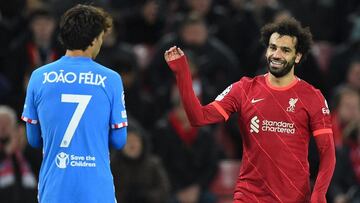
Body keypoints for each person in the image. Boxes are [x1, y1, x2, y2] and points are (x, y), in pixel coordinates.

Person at [164, 17, 336, 202]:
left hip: (293, 197)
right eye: (272, 47)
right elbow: (199, 118)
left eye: (285, 50)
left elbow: (327, 153)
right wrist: (182, 73)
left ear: (298, 56)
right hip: (249, 196)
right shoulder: (244, 88)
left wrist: (319, 194)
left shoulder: (312, 96)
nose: (276, 55)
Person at [21, 4, 127, 203]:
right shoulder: (110, 79)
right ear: (95, 39)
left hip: (55, 188)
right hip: (97, 189)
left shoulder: (39, 77)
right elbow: (119, 140)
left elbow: (34, 140)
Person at [111, 119, 170, 203]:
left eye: (135, 141)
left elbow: (164, 189)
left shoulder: (153, 164)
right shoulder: (114, 166)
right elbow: (108, 192)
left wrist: (147, 196)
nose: (132, 145)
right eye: (128, 141)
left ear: (142, 143)